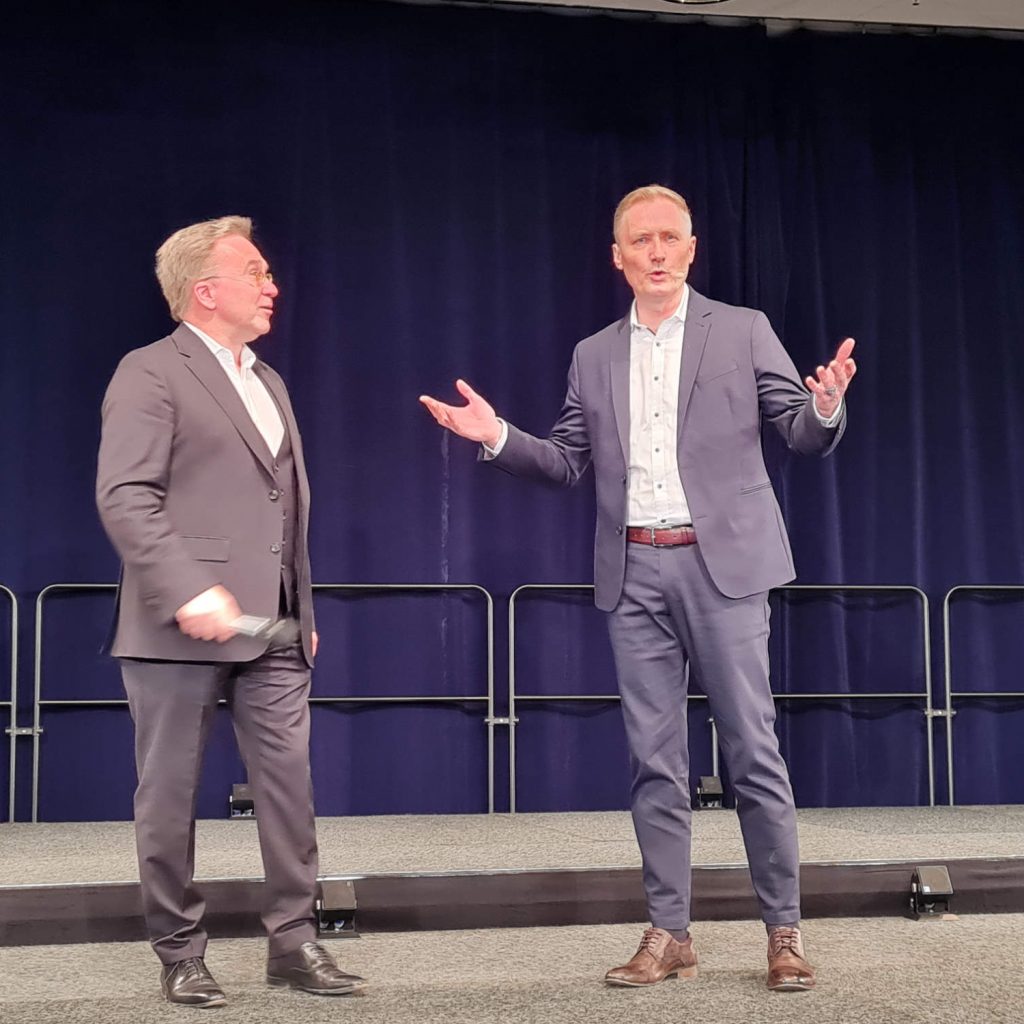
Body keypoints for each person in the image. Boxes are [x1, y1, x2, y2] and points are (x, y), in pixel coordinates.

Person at [420, 184, 856, 992]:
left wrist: (824, 407)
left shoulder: (744, 329)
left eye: (669, 237)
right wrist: (498, 438)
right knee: (655, 762)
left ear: (692, 249)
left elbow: (797, 430)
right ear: (617, 258)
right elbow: (565, 461)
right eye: (639, 241)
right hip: (635, 572)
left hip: (723, 569)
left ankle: (784, 933)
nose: (656, 251)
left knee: (751, 753)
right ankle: (669, 932)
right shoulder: (594, 354)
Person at [96, 216, 365, 1007]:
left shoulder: (269, 380)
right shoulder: (150, 372)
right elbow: (126, 496)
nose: (272, 284)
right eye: (257, 271)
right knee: (169, 794)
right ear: (205, 291)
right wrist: (187, 588)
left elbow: (282, 507)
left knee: (288, 786)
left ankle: (295, 942)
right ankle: (180, 950)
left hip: (274, 629)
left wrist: (297, 601)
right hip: (175, 628)